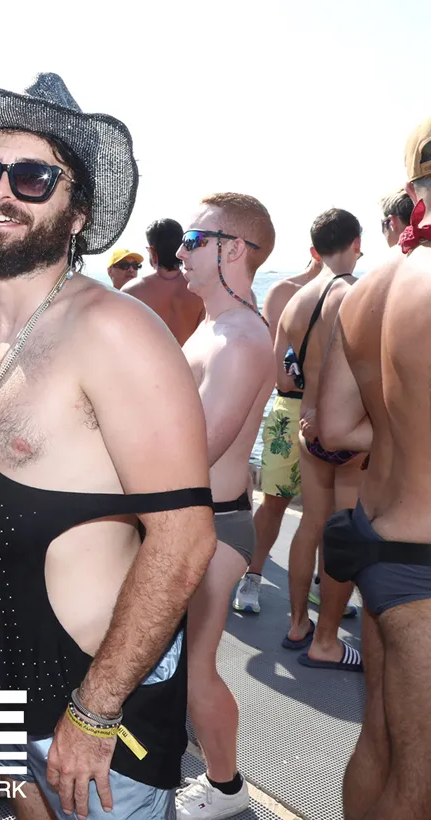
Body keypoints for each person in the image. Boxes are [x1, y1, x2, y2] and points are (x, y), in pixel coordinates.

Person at [0, 71, 217, 820]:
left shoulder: (115, 332)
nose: (1, 191)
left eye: (32, 178)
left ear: (79, 213)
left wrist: (94, 713)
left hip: (94, 719)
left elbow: (184, 539)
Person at [316, 115, 431, 820]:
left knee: (380, 745)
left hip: (377, 543)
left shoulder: (367, 288)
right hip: (426, 565)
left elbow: (333, 428)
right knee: (423, 786)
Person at [174, 193, 276, 817]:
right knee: (176, 663)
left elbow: (197, 450)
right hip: (194, 520)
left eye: (194, 239)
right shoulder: (214, 326)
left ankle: (226, 788)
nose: (180, 250)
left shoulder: (239, 339)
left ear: (233, 249)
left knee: (195, 668)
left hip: (212, 526)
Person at [276, 208, 365, 672]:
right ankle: (327, 640)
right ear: (356, 243)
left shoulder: (294, 300)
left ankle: (297, 625)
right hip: (348, 433)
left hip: (308, 428)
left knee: (311, 523)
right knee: (343, 531)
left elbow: (283, 379)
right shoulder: (355, 294)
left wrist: (311, 402)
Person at [233, 252, 323, 613]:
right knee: (274, 501)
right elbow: (279, 371)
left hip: (332, 412)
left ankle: (322, 583)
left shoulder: (351, 291)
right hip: (291, 408)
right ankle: (251, 576)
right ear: (315, 252)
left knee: (328, 511)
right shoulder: (285, 292)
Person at [122, 219, 204, 345]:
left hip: (149, 358)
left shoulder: (131, 292)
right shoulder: (200, 289)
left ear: (151, 251)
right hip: (188, 357)